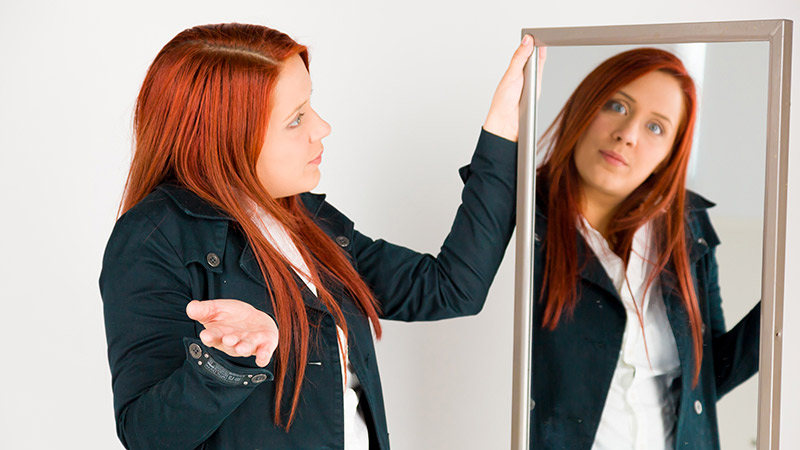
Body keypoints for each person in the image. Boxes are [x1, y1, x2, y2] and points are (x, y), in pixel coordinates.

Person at [100, 23, 533, 450]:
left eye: (311, 106)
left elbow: (451, 288)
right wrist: (229, 359)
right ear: (225, 138)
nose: (322, 128)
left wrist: (502, 133)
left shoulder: (306, 220)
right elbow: (146, 434)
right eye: (296, 119)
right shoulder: (151, 239)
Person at [529, 47, 760, 450]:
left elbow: (708, 374)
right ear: (584, 107)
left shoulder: (687, 227)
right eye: (617, 105)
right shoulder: (526, 219)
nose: (628, 134)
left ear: (667, 156)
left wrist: (782, 308)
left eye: (656, 128)